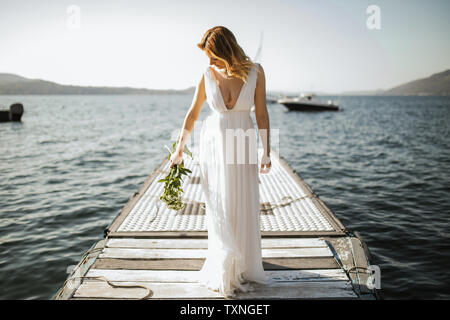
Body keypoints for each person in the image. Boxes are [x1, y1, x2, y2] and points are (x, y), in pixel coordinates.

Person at [169, 26, 272, 298]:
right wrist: (179, 149)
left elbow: (262, 114)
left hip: (243, 142)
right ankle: (224, 261)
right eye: (208, 57)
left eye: (214, 57)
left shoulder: (256, 72)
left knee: (243, 200)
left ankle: (245, 263)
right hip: (214, 146)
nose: (210, 62)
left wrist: (267, 151)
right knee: (220, 203)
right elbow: (193, 114)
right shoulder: (206, 75)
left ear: (227, 52)